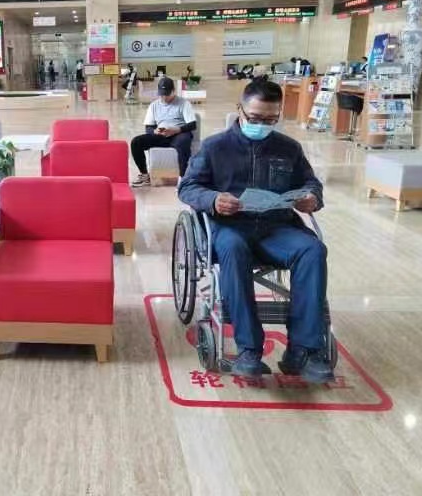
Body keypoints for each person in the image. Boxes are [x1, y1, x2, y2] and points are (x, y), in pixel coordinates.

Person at [177, 79, 333, 384]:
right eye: (255, 118)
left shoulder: (288, 148)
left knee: (313, 249)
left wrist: (311, 197)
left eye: (270, 120)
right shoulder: (215, 147)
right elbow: (188, 187)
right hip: (230, 227)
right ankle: (249, 349)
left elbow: (310, 183)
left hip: (277, 227)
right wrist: (213, 199)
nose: (261, 125)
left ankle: (303, 350)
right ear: (240, 110)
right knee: (233, 249)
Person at [130, 76, 198, 187]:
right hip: (161, 135)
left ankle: (183, 178)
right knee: (136, 142)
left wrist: (177, 130)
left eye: (167, 94)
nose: (164, 97)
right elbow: (148, 127)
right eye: (162, 95)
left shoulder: (183, 103)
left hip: (178, 133)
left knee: (184, 141)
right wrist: (154, 131)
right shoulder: (154, 106)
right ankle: (144, 175)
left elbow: (192, 124)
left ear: (173, 91)